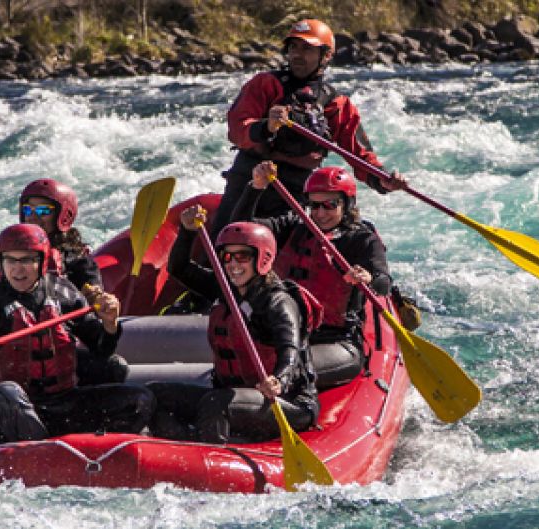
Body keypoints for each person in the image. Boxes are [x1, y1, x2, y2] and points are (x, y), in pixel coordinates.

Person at [0, 223, 154, 443]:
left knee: (139, 399)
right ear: (1, 262)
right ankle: (41, 452)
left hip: (59, 402)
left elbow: (102, 348)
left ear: (42, 261)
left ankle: (97, 448)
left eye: (27, 260)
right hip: (9, 409)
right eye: (10, 260)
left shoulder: (64, 293)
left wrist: (109, 324)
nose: (17, 269)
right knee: (6, 393)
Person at [213, 18, 406, 239]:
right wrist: (266, 126)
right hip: (249, 178)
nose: (297, 54)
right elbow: (238, 130)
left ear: (325, 55)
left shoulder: (336, 104)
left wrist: (382, 179)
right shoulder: (265, 84)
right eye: (293, 47)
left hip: (294, 189)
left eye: (306, 48)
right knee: (226, 238)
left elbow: (359, 155)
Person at [147, 213, 320, 443]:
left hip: (286, 401)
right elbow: (179, 268)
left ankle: (211, 460)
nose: (233, 264)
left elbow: (290, 348)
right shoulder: (224, 290)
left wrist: (279, 379)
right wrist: (187, 232)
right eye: (227, 257)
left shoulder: (278, 302)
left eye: (242, 256)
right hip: (232, 395)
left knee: (216, 403)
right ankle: (180, 450)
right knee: (156, 394)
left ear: (263, 258)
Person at [0, 178, 127, 384]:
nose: (34, 218)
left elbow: (92, 288)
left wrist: (100, 304)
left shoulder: (69, 271)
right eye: (29, 211)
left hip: (55, 340)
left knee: (114, 367)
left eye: (43, 212)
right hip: (9, 355)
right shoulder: (0, 272)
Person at [231, 161, 392, 388]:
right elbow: (242, 230)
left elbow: (383, 283)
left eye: (329, 205)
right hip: (284, 334)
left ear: (346, 204)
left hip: (336, 341)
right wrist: (255, 187)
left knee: (279, 369)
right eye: (314, 206)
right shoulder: (293, 226)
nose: (320, 213)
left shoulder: (362, 240)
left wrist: (368, 278)